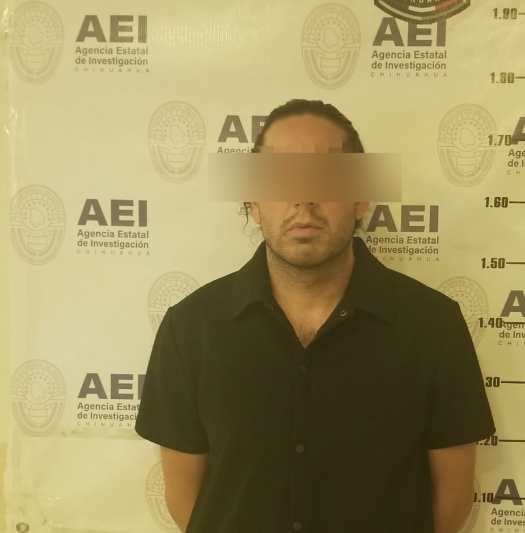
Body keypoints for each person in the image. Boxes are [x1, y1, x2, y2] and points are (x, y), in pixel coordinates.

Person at [135, 99, 496, 533]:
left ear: (361, 197)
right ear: (254, 201)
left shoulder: (434, 327)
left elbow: (452, 500)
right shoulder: (190, 329)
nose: (303, 198)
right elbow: (186, 499)